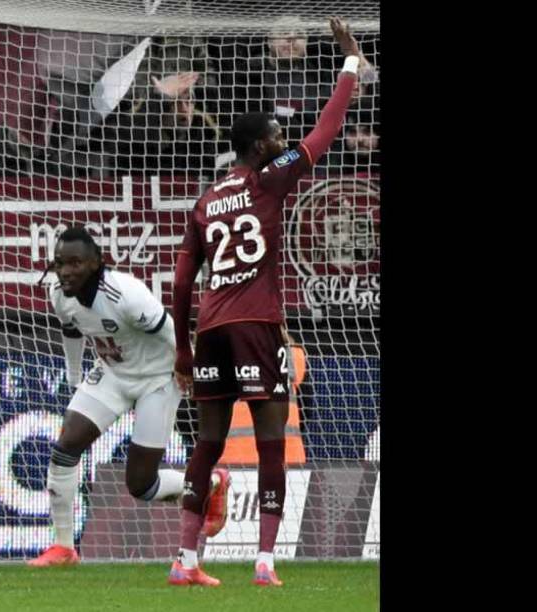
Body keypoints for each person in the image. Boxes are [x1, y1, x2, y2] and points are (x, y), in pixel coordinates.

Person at [169, 18, 363, 588]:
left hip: (210, 328)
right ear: (260, 147)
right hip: (258, 323)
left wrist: (184, 349)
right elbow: (327, 132)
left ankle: (185, 562)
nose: (285, 141)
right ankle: (264, 563)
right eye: (278, 135)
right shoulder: (270, 178)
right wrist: (350, 64)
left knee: (206, 445)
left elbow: (182, 284)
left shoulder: (207, 200)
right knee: (272, 441)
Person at [28, 227, 220, 567]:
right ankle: (63, 547)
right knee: (65, 447)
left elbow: (170, 330)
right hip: (112, 375)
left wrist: (187, 368)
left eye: (75, 263)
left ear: (97, 263)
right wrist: (75, 379)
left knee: (142, 485)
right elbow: (71, 329)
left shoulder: (125, 294)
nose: (67, 271)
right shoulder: (59, 293)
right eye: (60, 263)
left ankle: (213, 483)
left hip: (156, 379)